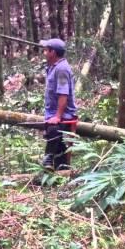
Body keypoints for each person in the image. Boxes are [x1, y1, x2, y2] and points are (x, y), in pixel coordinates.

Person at [39, 38, 78, 170]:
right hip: (52, 112)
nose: (44, 52)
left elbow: (63, 94)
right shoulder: (53, 67)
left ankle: (48, 159)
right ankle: (62, 168)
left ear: (53, 52)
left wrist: (57, 116)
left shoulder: (61, 70)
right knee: (57, 140)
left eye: (46, 50)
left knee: (53, 129)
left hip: (65, 114)